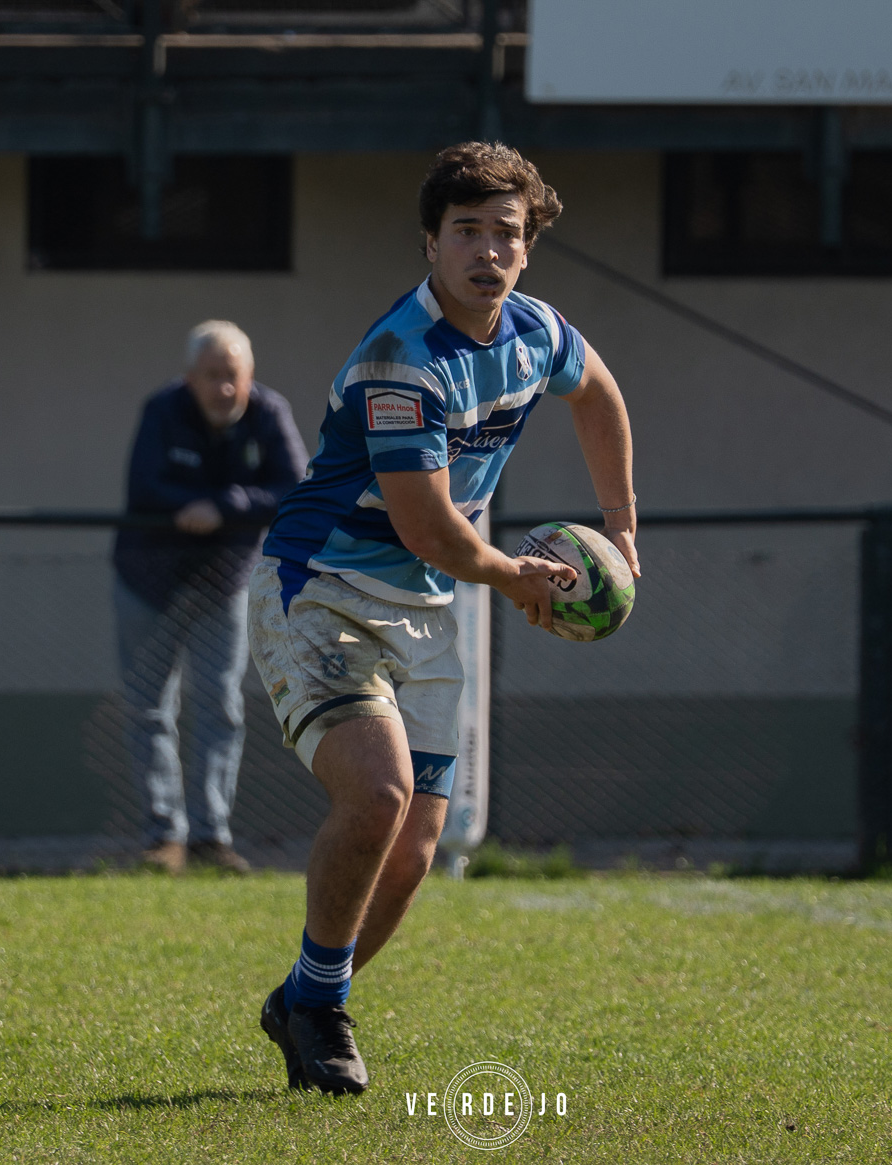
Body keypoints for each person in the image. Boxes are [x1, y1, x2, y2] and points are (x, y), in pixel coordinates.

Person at [248, 142, 639, 1093]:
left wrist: (623, 532)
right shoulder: (401, 359)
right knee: (376, 796)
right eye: (466, 230)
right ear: (431, 242)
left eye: (506, 233)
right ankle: (326, 1012)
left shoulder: (536, 332)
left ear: (528, 248)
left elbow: (599, 397)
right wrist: (516, 577)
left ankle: (305, 996)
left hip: (426, 610)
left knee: (418, 848)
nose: (487, 250)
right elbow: (426, 525)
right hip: (323, 589)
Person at [113, 320, 308, 874]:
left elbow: (294, 487)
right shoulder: (161, 411)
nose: (224, 388)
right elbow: (146, 485)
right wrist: (199, 506)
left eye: (234, 376)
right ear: (190, 378)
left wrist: (224, 504)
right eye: (212, 376)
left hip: (225, 582)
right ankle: (163, 838)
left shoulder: (270, 413)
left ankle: (209, 838)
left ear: (250, 377)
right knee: (148, 707)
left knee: (221, 707)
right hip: (146, 580)